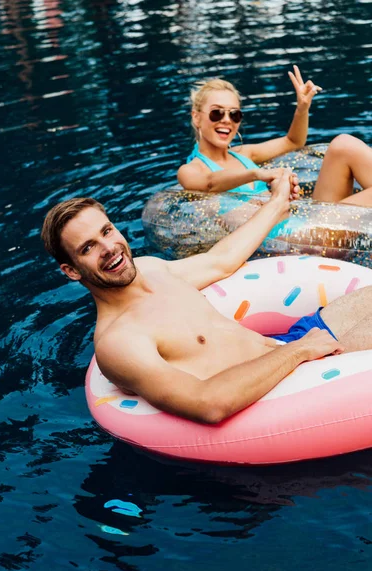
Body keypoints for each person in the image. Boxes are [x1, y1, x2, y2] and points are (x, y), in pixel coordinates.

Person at [41, 172, 372, 424]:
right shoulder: (119, 343)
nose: (108, 248)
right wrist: (301, 351)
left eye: (107, 231)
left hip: (289, 343)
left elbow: (221, 261)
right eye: (88, 248)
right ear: (71, 271)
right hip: (284, 383)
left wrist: (277, 204)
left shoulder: (150, 268)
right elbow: (208, 403)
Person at [178, 66, 372, 208]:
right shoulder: (191, 170)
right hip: (283, 239)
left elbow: (293, 141)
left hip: (301, 221)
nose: (227, 120)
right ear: (196, 117)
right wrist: (258, 174)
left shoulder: (245, 154)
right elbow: (210, 183)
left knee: (343, 144)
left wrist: (302, 107)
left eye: (234, 114)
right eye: (217, 113)